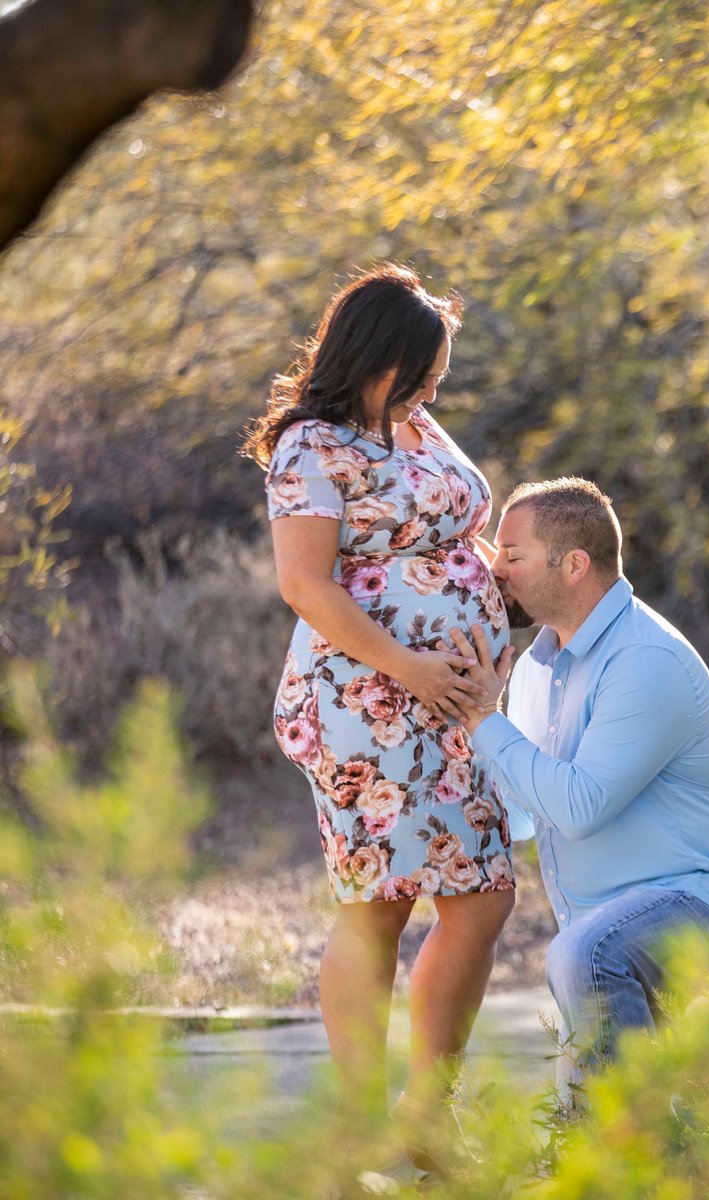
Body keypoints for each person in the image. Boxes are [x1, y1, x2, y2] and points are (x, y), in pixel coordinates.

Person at [241, 264, 517, 1144]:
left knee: (484, 894)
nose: (434, 390)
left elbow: (458, 536)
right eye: (422, 372)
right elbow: (305, 585)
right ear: (373, 357)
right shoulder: (311, 449)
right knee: (381, 904)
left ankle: (428, 1113)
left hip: (456, 704)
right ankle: (361, 1126)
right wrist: (411, 665)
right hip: (368, 704)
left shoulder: (415, 424)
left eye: (438, 376)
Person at [446, 477, 709, 1107]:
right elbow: (532, 808)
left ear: (573, 566)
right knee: (586, 1120)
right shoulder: (539, 665)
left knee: (587, 966)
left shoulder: (647, 660)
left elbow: (578, 807)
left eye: (512, 555)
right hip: (593, 934)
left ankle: (632, 1159)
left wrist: (485, 718)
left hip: (689, 902)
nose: (495, 570)